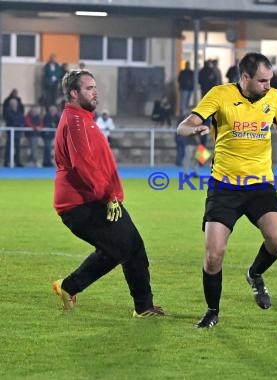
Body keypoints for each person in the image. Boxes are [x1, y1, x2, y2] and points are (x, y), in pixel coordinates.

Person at [177, 52, 277, 328]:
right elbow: (184, 125)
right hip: (224, 186)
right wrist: (193, 130)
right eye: (262, 81)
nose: (268, 86)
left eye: (270, 80)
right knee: (213, 254)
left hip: (260, 185)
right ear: (245, 78)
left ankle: (255, 274)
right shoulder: (219, 95)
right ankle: (212, 311)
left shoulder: (274, 97)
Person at [52, 69, 164, 318]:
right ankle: (69, 286)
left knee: (130, 247)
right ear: (74, 93)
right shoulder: (76, 120)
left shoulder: (82, 117)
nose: (95, 92)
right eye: (89, 88)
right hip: (82, 204)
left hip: (95, 199)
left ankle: (143, 307)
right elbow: (83, 165)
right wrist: (108, 195)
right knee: (125, 247)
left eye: (95, 87)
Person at [3, 98, 24, 167]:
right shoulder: (7, 110)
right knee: (8, 147)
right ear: (10, 104)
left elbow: (21, 119)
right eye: (13, 103)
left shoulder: (19, 111)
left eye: (15, 103)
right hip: (10, 132)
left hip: (17, 132)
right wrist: (17, 123)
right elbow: (11, 119)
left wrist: (18, 124)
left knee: (18, 147)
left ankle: (17, 161)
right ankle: (6, 162)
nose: (15, 105)